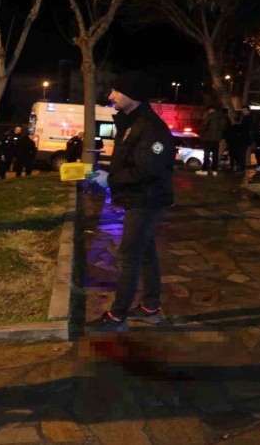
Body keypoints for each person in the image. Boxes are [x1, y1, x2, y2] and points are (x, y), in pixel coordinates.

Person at [86, 70, 175, 332]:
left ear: (133, 95)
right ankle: (150, 308)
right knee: (144, 253)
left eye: (116, 91)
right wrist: (104, 172)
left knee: (128, 257)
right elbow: (131, 162)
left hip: (147, 201)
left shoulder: (150, 128)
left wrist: (111, 180)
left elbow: (148, 170)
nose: (111, 95)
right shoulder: (132, 121)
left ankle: (117, 316)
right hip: (140, 197)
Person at [196, 105, 228, 176]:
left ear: (210, 110)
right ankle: (214, 170)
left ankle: (204, 169)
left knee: (206, 154)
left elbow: (204, 126)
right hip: (217, 139)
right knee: (215, 155)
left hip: (208, 137)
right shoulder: (222, 117)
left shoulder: (210, 116)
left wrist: (201, 134)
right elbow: (224, 128)